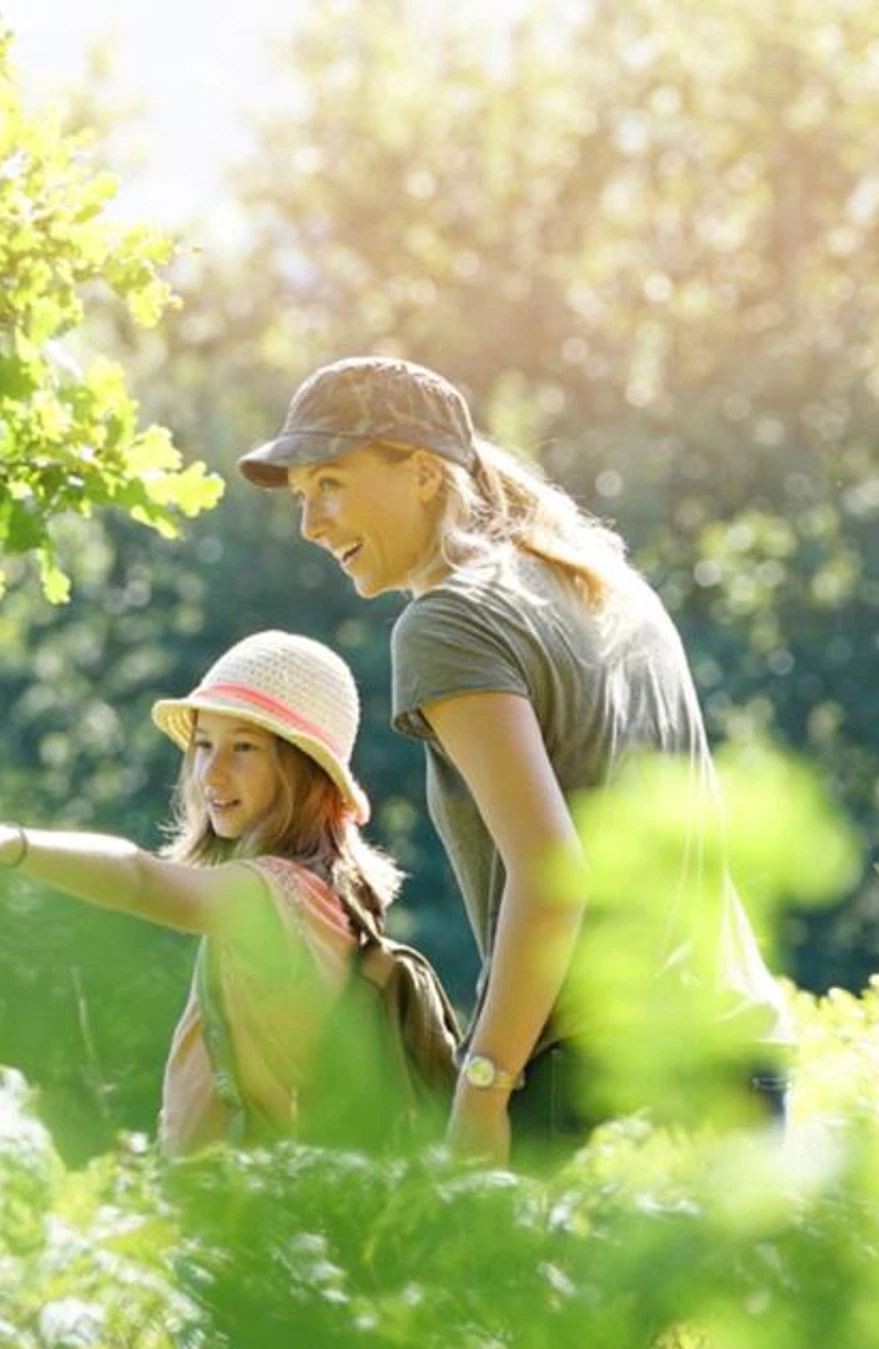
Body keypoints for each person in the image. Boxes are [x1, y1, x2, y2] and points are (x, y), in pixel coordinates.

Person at [238, 356, 791, 1169]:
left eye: (329, 485)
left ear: (423, 474)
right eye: (299, 497)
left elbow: (551, 871)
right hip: (739, 1054)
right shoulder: (599, 583)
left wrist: (486, 1085)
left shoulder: (448, 623)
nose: (310, 524)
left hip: (601, 1081)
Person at [0, 631, 404, 1157]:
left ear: (306, 772)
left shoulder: (275, 894)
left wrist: (10, 844)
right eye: (203, 745)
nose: (213, 772)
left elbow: (139, 879)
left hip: (242, 1214)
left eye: (244, 747)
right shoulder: (319, 894)